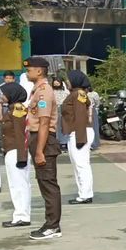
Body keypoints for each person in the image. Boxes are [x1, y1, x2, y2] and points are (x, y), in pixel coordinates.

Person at [24, 56, 62, 240]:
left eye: (29, 69)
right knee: (44, 181)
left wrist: (39, 150)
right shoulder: (37, 90)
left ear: (39, 71)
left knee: (48, 183)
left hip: (44, 140)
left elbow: (44, 122)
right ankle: (52, 224)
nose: (27, 72)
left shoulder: (43, 92)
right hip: (37, 138)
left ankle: (52, 226)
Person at [0, 82, 31, 228]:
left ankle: (22, 216)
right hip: (13, 151)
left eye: (3, 93)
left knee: (19, 185)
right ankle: (20, 215)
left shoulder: (17, 109)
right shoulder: (11, 108)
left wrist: (22, 157)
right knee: (16, 185)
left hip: (17, 151)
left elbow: (20, 134)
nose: (1, 96)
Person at [62, 70, 94, 205]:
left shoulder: (78, 94)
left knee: (81, 165)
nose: (66, 82)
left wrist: (81, 138)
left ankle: (85, 194)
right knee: (78, 165)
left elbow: (80, 115)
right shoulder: (75, 94)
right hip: (76, 131)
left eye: (68, 80)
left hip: (80, 131)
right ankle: (83, 192)